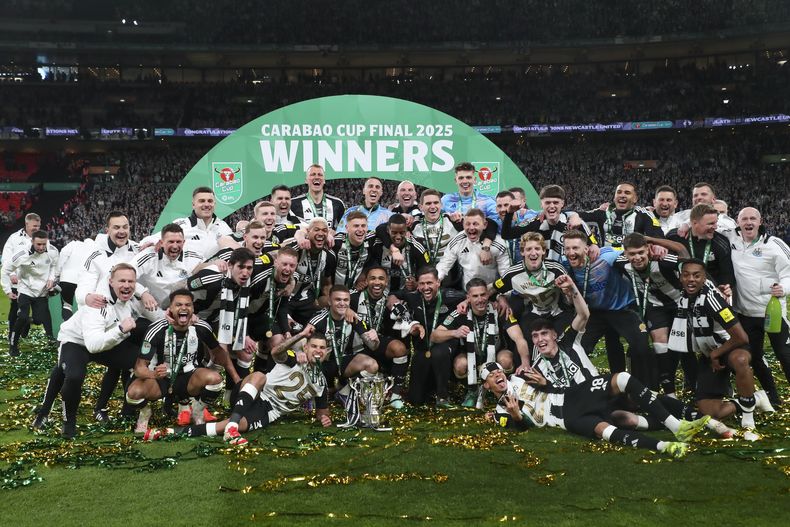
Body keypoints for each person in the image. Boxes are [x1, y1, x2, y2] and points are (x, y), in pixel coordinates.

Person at [144, 327, 332, 445]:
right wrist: (299, 336)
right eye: (314, 346)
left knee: (235, 426)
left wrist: (324, 419)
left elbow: (322, 411)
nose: (318, 351)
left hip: (268, 412)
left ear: (326, 352)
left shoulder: (321, 383)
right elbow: (276, 351)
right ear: (306, 348)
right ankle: (233, 425)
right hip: (250, 390)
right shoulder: (293, 359)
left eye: (322, 348)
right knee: (259, 375)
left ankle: (168, 433)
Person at [33, 263, 160, 438]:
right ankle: (62, 419)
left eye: (131, 281)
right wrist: (121, 330)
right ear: (111, 282)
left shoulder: (130, 297)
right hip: (77, 342)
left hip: (106, 341)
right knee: (73, 374)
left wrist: (171, 316)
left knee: (140, 362)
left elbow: (154, 316)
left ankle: (129, 410)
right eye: (122, 280)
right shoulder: (98, 302)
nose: (127, 285)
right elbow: (93, 345)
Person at [481, 363, 710, 458]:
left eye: (498, 371)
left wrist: (545, 383)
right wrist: (516, 416)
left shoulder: (522, 376)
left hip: (572, 396)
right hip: (566, 419)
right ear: (486, 385)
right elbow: (520, 429)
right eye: (491, 376)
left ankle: (676, 426)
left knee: (622, 378)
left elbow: (551, 387)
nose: (497, 375)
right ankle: (665, 447)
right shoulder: (500, 412)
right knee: (607, 431)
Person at [668, 259, 773, 440]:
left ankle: (748, 420)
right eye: (686, 275)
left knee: (740, 361)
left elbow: (741, 337)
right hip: (711, 354)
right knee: (711, 412)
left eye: (696, 275)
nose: (691, 279)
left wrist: (716, 354)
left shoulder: (712, 299)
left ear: (704, 278)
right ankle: (755, 399)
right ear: (680, 278)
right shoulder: (683, 298)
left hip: (733, 348)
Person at [124, 289, 241, 432]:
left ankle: (197, 411)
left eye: (188, 305)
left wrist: (236, 378)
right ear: (170, 309)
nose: (184, 308)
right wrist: (154, 374)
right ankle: (145, 413)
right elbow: (139, 368)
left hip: (189, 378)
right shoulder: (157, 329)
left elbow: (220, 353)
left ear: (193, 309)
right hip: (161, 380)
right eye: (178, 304)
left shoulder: (201, 327)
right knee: (133, 393)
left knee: (215, 379)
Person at [562, 230, 657, 390]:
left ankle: (645, 392)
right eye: (568, 249)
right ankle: (584, 391)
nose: (571, 253)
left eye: (576, 248)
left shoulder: (606, 256)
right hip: (594, 314)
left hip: (622, 309)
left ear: (586, 249)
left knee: (640, 346)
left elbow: (633, 251)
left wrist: (658, 247)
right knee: (577, 349)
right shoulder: (564, 265)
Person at [724, 207, 790, 407]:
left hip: (772, 311)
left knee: (784, 354)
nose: (749, 222)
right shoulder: (730, 239)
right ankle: (772, 397)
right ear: (738, 222)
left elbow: (788, 271)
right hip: (745, 313)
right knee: (755, 357)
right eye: (744, 219)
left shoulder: (774, 244)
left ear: (760, 221)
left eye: (753, 218)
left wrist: (784, 288)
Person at [430, 278, 530, 407]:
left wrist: (525, 363)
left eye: (483, 295)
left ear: (488, 294)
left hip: (496, 354)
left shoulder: (499, 310)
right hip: (470, 355)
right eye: (475, 296)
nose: (480, 299)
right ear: (468, 297)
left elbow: (519, 338)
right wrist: (454, 332)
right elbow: (434, 336)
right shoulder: (460, 313)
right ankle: (472, 391)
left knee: (506, 359)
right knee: (460, 364)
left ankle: (503, 390)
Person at [614, 233, 692, 396]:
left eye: (641, 252)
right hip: (655, 308)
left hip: (679, 305)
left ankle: (694, 383)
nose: (637, 258)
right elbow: (606, 253)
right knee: (659, 345)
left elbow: (685, 254)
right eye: (632, 254)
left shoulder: (662, 261)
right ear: (625, 254)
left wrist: (653, 239)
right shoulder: (621, 263)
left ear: (648, 250)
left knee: (685, 348)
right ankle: (670, 393)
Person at [392, 266, 466, 407]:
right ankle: (430, 388)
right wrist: (410, 324)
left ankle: (443, 396)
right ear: (417, 285)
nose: (426, 287)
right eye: (422, 284)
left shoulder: (450, 296)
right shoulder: (412, 297)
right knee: (416, 400)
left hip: (445, 347)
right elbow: (392, 297)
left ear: (438, 282)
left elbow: (472, 296)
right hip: (423, 351)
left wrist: (466, 302)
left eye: (430, 283)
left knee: (439, 352)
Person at [491, 232, 572, 350]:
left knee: (563, 344)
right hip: (535, 314)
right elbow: (491, 290)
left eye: (537, 249)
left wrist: (568, 292)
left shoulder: (556, 269)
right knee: (528, 343)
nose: (533, 253)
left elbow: (572, 298)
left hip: (559, 313)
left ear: (544, 251)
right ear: (522, 252)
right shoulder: (512, 274)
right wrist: (500, 297)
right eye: (529, 249)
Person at [347, 267, 410, 407]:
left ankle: (395, 394)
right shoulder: (353, 297)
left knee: (399, 348)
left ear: (386, 281)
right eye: (373, 278)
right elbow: (329, 301)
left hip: (377, 343)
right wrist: (346, 309)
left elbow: (406, 324)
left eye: (381, 278)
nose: (377, 282)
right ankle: (345, 389)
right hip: (355, 346)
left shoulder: (390, 301)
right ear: (366, 281)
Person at [526, 273, 593, 390]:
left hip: (596, 394)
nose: (540, 339)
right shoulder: (537, 368)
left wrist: (572, 287)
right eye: (535, 336)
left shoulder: (569, 341)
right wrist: (546, 386)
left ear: (554, 335)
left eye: (544, 333)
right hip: (570, 406)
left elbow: (583, 315)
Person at [501, 185, 596, 262]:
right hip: (546, 274)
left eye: (555, 202)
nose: (552, 206)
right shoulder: (535, 223)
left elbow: (591, 239)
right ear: (541, 204)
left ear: (562, 204)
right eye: (547, 203)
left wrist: (594, 245)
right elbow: (506, 234)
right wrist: (509, 214)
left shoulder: (573, 221)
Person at [1, 230, 58, 356]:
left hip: (42, 293)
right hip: (25, 290)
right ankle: (13, 345)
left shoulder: (53, 251)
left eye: (44, 244)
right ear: (32, 241)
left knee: (38, 320)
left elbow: (54, 266)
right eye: (38, 244)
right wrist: (7, 290)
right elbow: (5, 270)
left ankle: (27, 322)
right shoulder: (22, 254)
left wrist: (51, 279)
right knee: (22, 316)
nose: (42, 247)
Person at [279, 218, 337, 326]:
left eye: (324, 230)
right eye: (316, 230)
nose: (320, 233)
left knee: (321, 327)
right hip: (285, 299)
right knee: (286, 330)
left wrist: (328, 302)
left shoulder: (329, 256)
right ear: (308, 232)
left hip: (307, 300)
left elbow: (327, 284)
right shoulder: (295, 248)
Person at [574, 181, 664, 249]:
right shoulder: (603, 212)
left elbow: (657, 235)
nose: (622, 195)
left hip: (632, 260)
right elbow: (576, 215)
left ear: (635, 199)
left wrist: (657, 246)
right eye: (619, 192)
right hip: (605, 259)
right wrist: (574, 216)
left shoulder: (644, 214)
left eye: (627, 193)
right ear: (614, 197)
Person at [151, 187, 233, 260]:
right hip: (187, 275)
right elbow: (155, 238)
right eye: (202, 201)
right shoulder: (181, 225)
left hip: (216, 275)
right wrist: (151, 242)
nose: (207, 204)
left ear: (214, 204)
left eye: (210, 201)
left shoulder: (223, 227)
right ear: (193, 205)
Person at [667, 203, 736, 291]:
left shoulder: (721, 243)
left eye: (716, 222)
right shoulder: (674, 237)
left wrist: (725, 288)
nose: (715, 227)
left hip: (709, 294)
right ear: (695, 223)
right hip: (678, 293)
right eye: (711, 223)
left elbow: (728, 277)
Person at [134, 223, 203, 308]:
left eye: (178, 242)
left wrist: (215, 262)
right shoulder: (149, 256)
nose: (175, 246)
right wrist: (143, 293)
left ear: (184, 242)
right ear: (161, 243)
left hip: (182, 309)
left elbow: (207, 265)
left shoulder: (192, 256)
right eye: (171, 242)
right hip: (153, 308)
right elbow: (125, 275)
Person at [436, 208, 510, 287]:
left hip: (491, 290)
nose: (471, 228)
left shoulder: (498, 244)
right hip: (467, 292)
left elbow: (505, 274)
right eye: (467, 224)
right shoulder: (458, 241)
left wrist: (502, 294)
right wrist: (436, 280)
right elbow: (444, 264)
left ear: (485, 225)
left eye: (475, 224)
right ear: (463, 224)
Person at [1, 213, 41, 343]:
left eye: (38, 225)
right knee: (15, 309)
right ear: (27, 223)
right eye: (34, 225)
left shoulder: (41, 238)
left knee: (38, 316)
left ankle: (27, 321)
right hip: (17, 282)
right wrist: (11, 274)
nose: (37, 228)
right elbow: (6, 257)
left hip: (35, 282)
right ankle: (12, 334)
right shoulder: (14, 238)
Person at [370, 214, 429, 292]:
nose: (398, 237)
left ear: (407, 231)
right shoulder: (377, 243)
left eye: (402, 233)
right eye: (394, 233)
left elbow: (426, 272)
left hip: (405, 295)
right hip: (379, 293)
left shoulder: (416, 246)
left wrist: (417, 283)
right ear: (387, 230)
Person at [332, 211, 379, 289]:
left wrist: (362, 277)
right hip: (335, 290)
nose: (360, 229)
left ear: (367, 227)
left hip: (355, 290)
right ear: (347, 228)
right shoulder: (336, 242)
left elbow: (384, 229)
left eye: (363, 226)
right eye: (356, 226)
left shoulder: (371, 240)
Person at [290, 164, 346, 230]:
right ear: (306, 180)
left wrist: (335, 232)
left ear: (324, 180)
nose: (316, 177)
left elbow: (344, 229)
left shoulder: (337, 203)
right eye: (313, 174)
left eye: (320, 175)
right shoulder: (293, 203)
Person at [669, 182, 736, 232]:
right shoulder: (678, 217)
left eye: (703, 194)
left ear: (713, 199)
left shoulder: (726, 221)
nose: (699, 197)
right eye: (695, 195)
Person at [56, 237, 90, 321]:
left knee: (67, 306)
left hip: (67, 279)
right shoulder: (94, 248)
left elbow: (63, 254)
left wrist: (57, 273)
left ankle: (68, 330)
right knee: (84, 307)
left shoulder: (73, 244)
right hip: (83, 281)